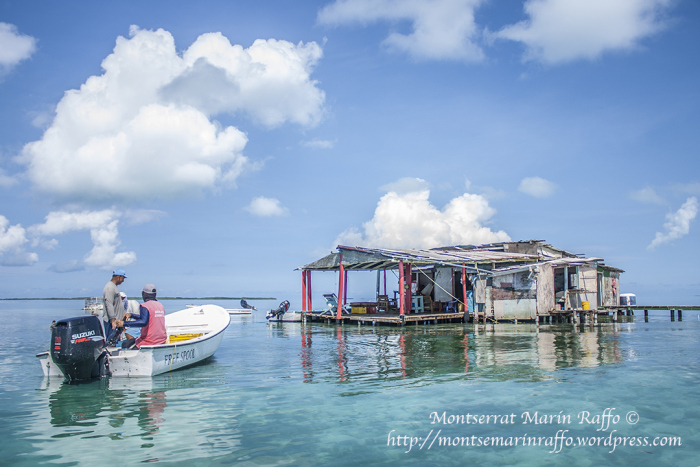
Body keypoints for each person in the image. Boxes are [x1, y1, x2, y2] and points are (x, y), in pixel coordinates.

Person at [120, 284, 167, 349]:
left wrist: (124, 324)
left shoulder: (145, 305)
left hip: (149, 341)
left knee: (125, 344)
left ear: (143, 294)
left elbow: (143, 322)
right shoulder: (160, 305)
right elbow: (148, 317)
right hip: (161, 340)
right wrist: (131, 315)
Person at [102, 269, 127, 341]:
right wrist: (113, 320)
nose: (123, 280)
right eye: (123, 278)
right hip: (111, 322)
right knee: (112, 341)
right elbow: (109, 304)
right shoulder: (110, 288)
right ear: (118, 277)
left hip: (117, 321)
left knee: (116, 340)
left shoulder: (114, 286)